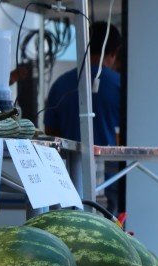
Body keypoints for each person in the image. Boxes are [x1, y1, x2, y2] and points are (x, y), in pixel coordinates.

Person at [45, 22, 122, 213]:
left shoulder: (60, 85)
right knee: (111, 234)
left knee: (72, 230)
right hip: (111, 176)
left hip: (69, 174)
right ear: (114, 51)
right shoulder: (121, 86)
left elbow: (50, 133)